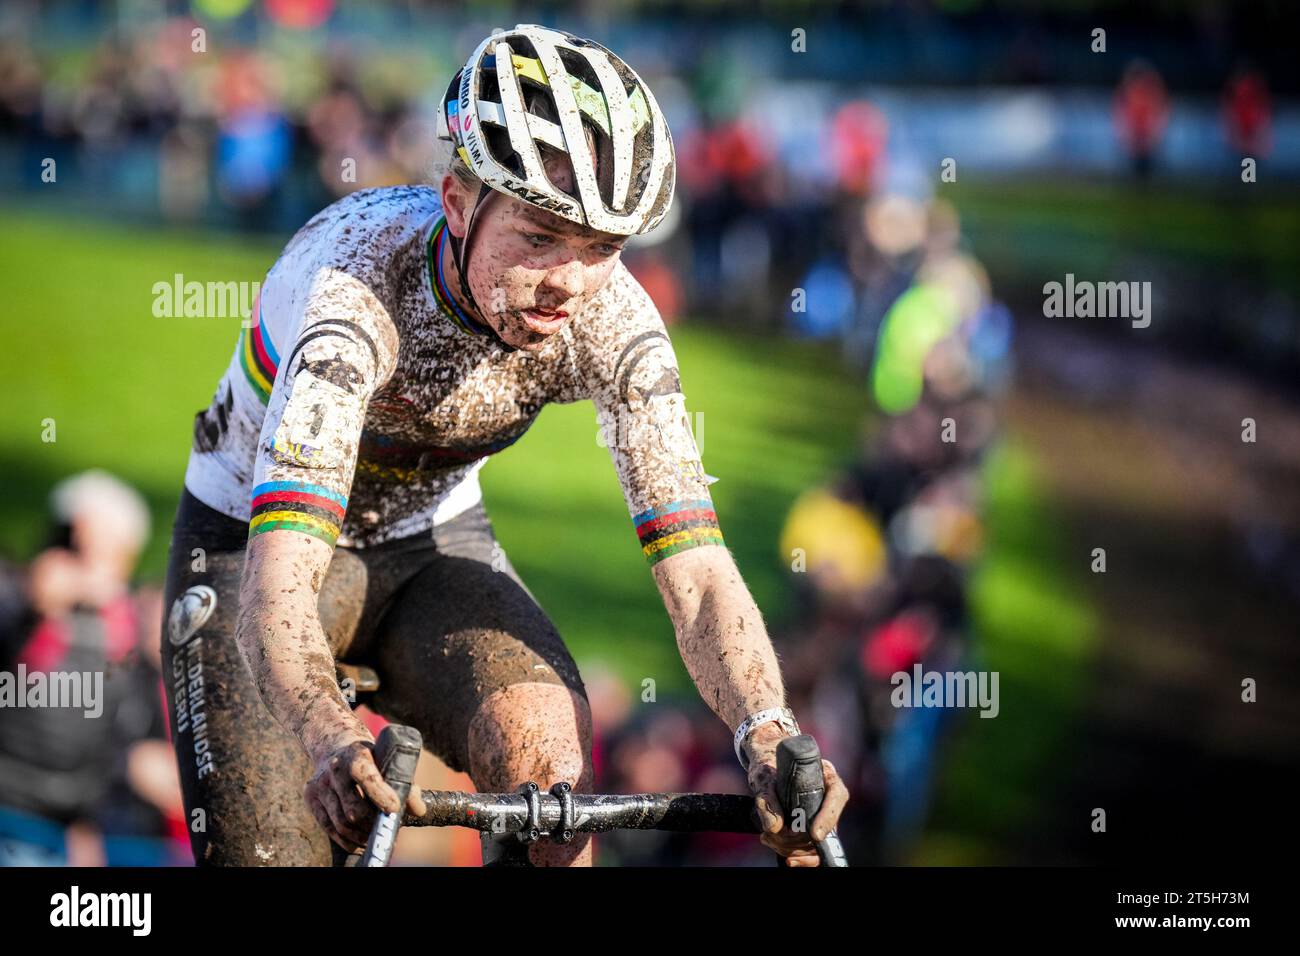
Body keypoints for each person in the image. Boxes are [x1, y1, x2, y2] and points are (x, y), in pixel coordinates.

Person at [163, 23, 847, 867]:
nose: (570, 281)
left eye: (602, 248)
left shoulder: (612, 320)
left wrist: (767, 729)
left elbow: (699, 575)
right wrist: (326, 736)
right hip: (251, 553)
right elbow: (277, 588)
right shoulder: (355, 296)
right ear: (457, 202)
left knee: (556, 798)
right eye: (538, 237)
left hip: (432, 551)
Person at [0, 471, 158, 865]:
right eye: (86, 547)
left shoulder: (123, 628)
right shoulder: (20, 596)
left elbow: (118, 730)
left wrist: (88, 821)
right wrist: (31, 605)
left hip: (68, 824)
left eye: (113, 552)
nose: (98, 566)